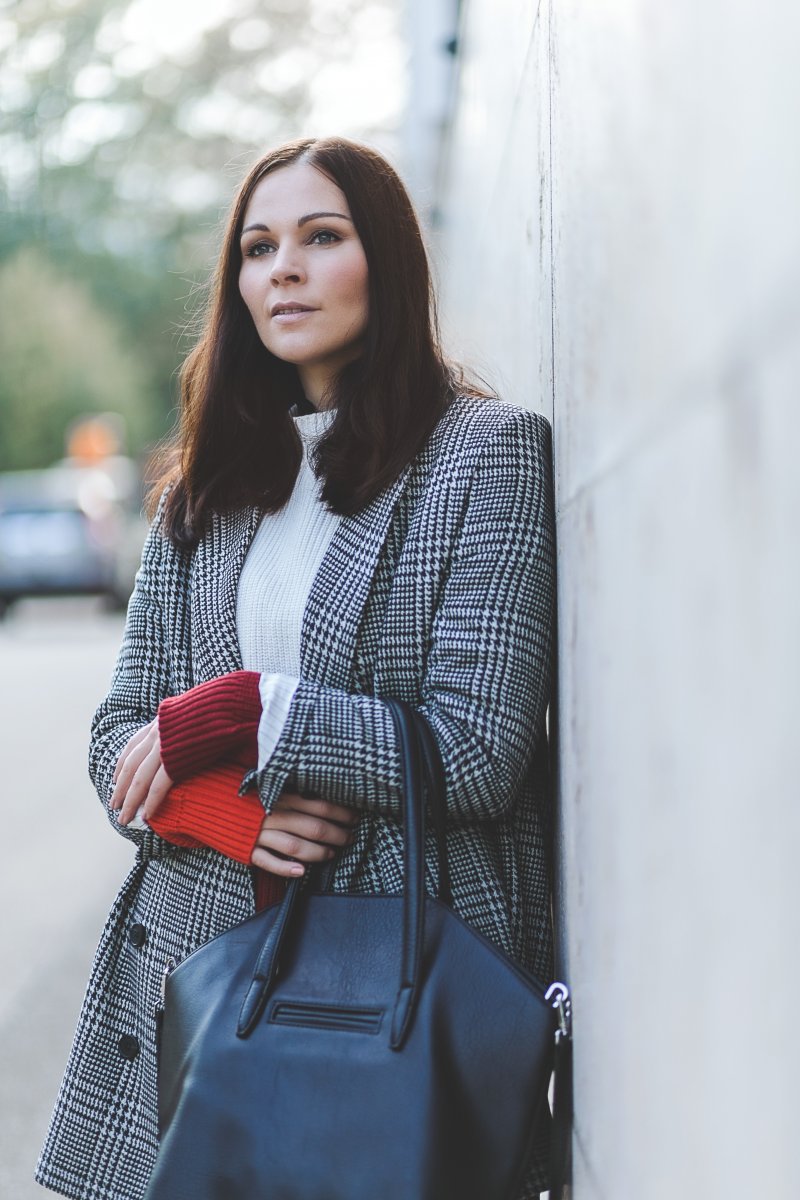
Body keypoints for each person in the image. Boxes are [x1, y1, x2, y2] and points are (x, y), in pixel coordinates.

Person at [36, 136, 556, 1200]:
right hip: (205, 958)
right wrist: (227, 817)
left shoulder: (486, 455)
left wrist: (252, 707)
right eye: (259, 246)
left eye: (323, 237)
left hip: (400, 978)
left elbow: (476, 751)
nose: (283, 268)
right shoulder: (206, 493)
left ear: (390, 263)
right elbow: (120, 737)